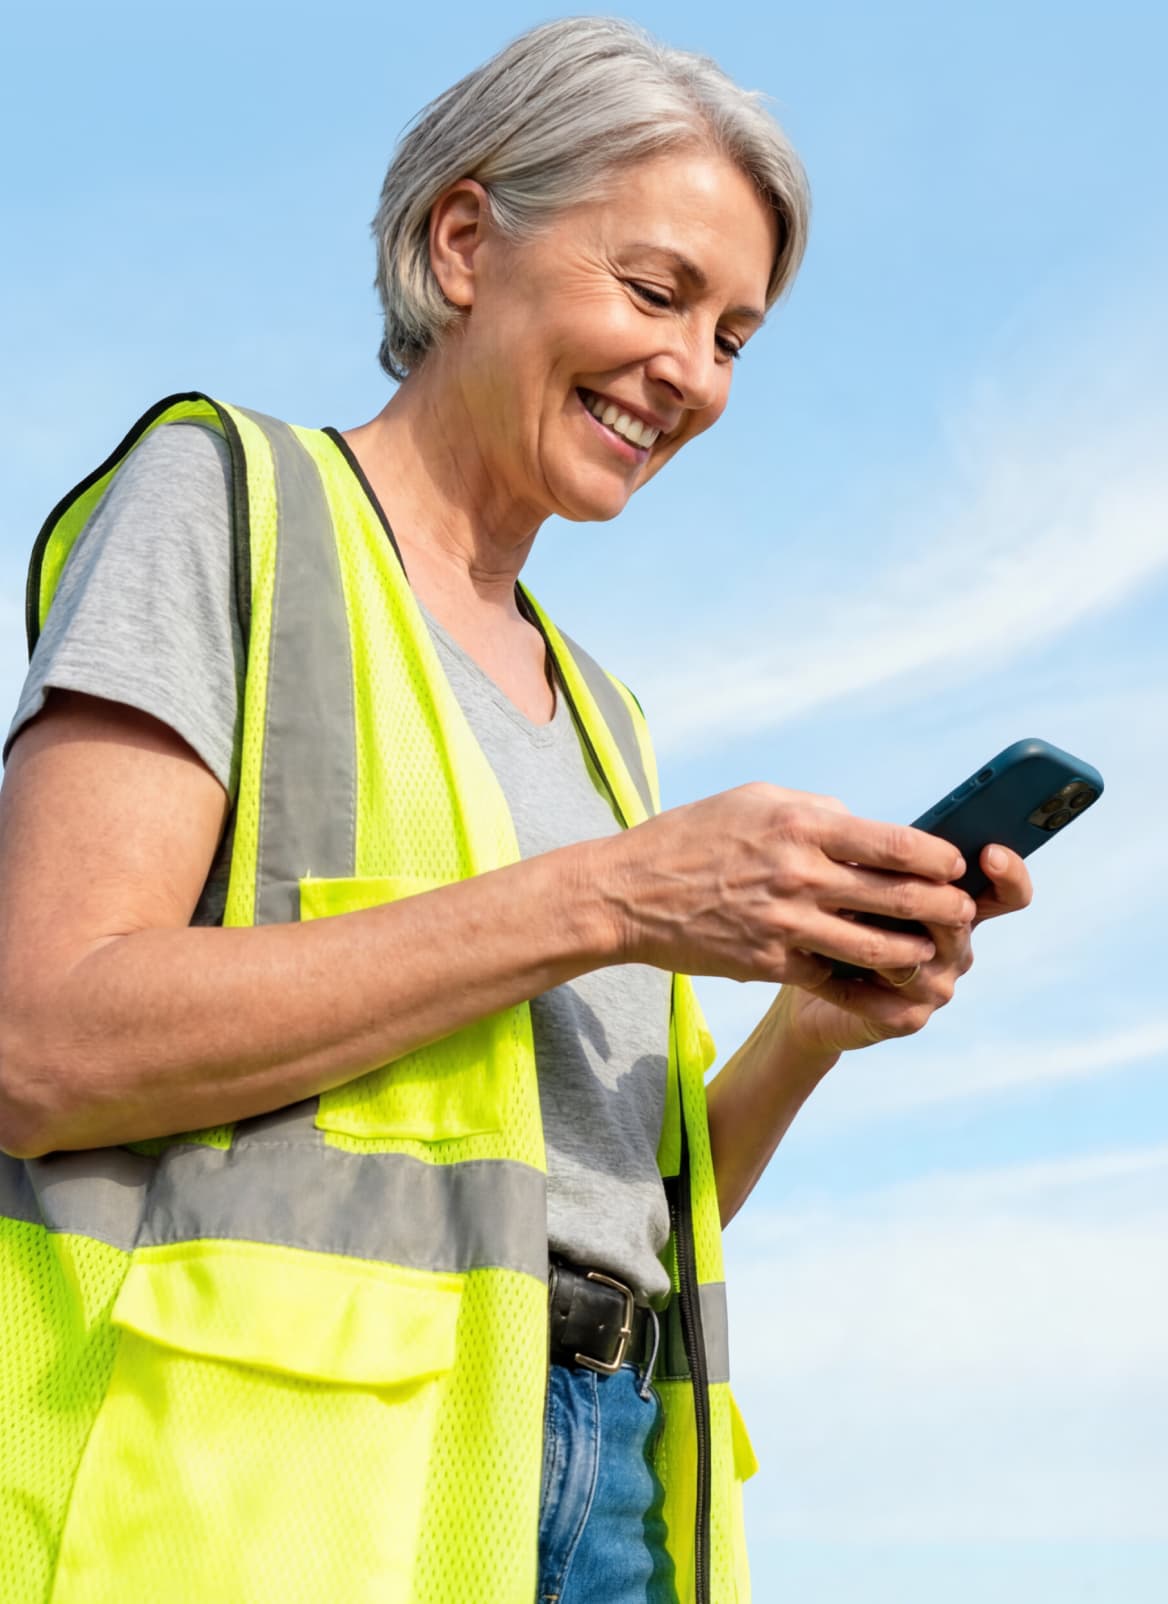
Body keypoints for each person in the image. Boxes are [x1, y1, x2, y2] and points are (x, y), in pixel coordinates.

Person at [0, 16, 1031, 1604]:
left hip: (605, 1487)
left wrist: (814, 1025)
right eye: (657, 292)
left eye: (737, 337)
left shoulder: (604, 717)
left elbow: (616, 1213)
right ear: (466, 243)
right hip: (275, 1496)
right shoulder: (228, 505)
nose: (693, 373)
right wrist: (609, 899)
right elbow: (39, 1043)